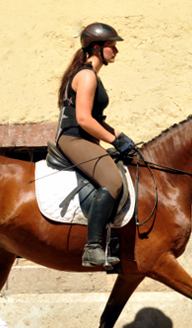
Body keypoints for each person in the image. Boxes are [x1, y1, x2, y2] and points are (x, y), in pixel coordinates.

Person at [56, 22, 135, 267]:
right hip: (73, 139)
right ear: (97, 48)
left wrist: (123, 137)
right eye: (112, 46)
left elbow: (97, 120)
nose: (116, 51)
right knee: (112, 181)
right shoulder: (87, 75)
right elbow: (82, 119)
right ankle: (92, 248)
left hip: (86, 138)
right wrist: (114, 140)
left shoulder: (92, 75)